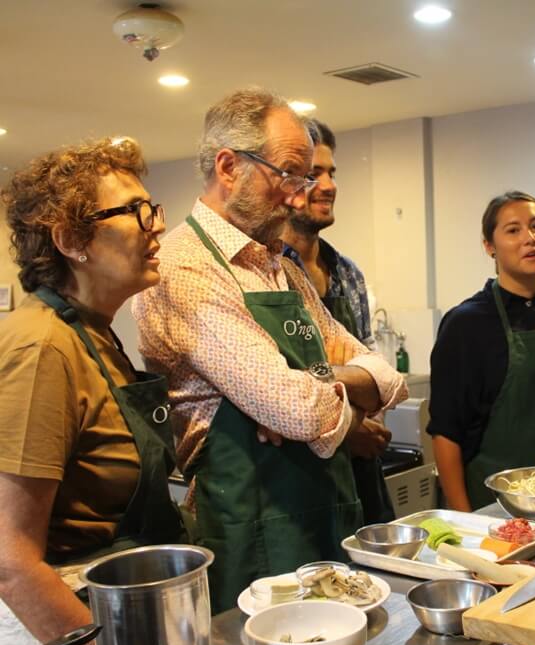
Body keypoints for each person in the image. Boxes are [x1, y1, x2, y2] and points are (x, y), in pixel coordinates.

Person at [132, 88, 407, 612]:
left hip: (322, 514)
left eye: (303, 178)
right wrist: (316, 395)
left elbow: (384, 374)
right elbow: (297, 410)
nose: (298, 194)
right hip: (250, 531)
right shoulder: (184, 267)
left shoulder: (276, 264)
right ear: (229, 165)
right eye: (288, 174)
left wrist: (318, 382)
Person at [0, 138, 184, 645]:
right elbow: (11, 558)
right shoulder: (42, 349)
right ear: (71, 240)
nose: (156, 226)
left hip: (105, 614)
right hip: (59, 641)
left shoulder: (96, 334)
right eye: (134, 212)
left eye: (152, 208)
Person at [428, 191, 535, 511]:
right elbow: (446, 433)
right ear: (489, 246)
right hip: (496, 510)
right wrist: (466, 523)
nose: (529, 238)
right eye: (513, 230)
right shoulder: (467, 324)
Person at [281, 119, 395, 525]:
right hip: (299, 485)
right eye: (313, 175)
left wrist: (364, 422)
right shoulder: (267, 273)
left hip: (364, 475)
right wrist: (348, 425)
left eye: (331, 173)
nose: (328, 186)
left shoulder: (346, 272)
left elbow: (376, 374)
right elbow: (285, 392)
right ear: (285, 182)